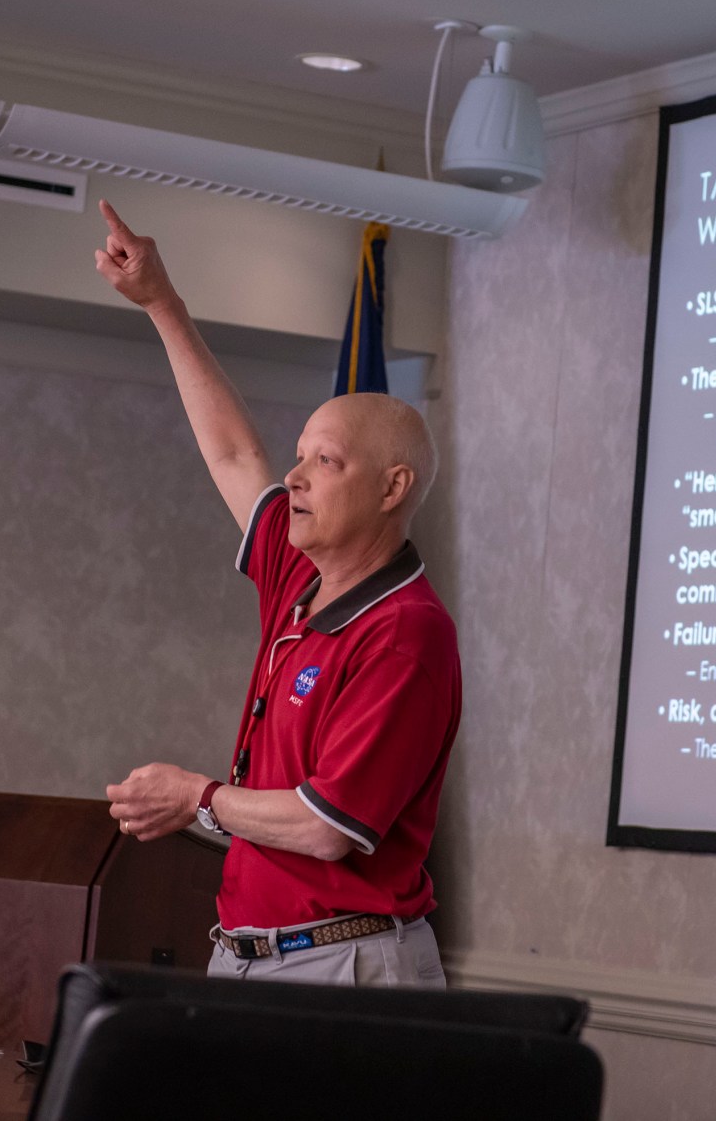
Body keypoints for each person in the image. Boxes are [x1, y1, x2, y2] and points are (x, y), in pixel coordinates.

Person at [92, 199, 460, 987]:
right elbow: (232, 452)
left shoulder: (404, 631)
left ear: (393, 486)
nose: (291, 477)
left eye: (323, 461)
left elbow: (328, 826)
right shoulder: (300, 578)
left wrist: (198, 797)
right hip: (249, 955)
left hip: (346, 964)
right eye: (298, 456)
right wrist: (163, 302)